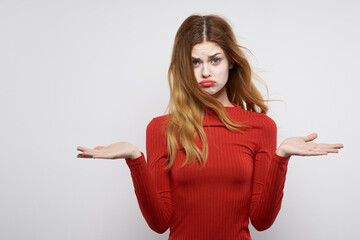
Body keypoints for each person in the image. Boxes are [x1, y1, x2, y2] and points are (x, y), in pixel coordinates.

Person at [76, 14, 344, 240]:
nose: (205, 72)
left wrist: (281, 158)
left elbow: (261, 222)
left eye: (215, 60)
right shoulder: (161, 129)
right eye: (195, 62)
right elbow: (159, 224)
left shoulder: (261, 127)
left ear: (231, 62)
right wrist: (135, 159)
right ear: (184, 67)